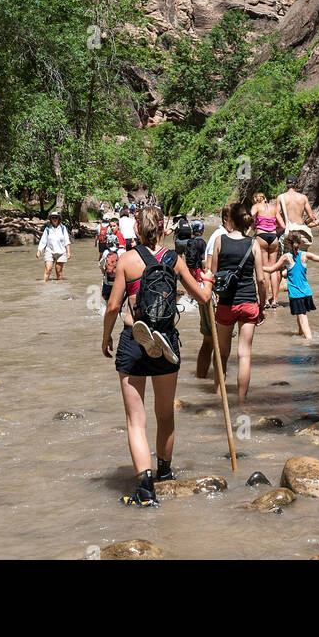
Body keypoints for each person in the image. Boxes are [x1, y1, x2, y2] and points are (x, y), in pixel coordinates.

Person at [102, 206, 214, 507]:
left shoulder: (127, 260)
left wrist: (105, 337)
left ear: (137, 229)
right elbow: (202, 297)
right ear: (163, 228)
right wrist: (210, 281)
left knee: (135, 421)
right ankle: (165, 472)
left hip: (133, 341)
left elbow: (113, 307)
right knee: (165, 414)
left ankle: (146, 488)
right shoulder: (174, 260)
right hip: (167, 340)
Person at [209, 201, 266, 404]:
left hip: (226, 304)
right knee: (244, 355)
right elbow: (260, 279)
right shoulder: (253, 244)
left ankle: (219, 396)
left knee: (222, 353)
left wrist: (211, 296)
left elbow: (213, 274)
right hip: (249, 303)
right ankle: (242, 400)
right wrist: (263, 304)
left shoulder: (220, 241)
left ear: (230, 220)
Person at [264, 234, 319, 340]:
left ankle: (309, 343)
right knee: (300, 316)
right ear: (300, 243)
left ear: (288, 244)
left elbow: (271, 269)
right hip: (307, 292)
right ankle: (300, 336)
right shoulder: (305, 255)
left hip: (296, 294)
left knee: (303, 319)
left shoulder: (286, 257)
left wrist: (256, 265)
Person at [196, 207, 232, 379]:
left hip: (209, 291)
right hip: (212, 293)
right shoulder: (219, 237)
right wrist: (215, 291)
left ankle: (201, 379)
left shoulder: (222, 236)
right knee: (216, 342)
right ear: (226, 219)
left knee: (209, 341)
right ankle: (216, 384)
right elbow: (209, 266)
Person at [251, 193, 281, 309]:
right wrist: (273, 229)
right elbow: (282, 225)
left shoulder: (256, 207)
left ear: (256, 200)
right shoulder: (273, 208)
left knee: (264, 268)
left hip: (261, 236)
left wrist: (254, 226)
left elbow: (249, 217)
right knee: (273, 268)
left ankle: (266, 300)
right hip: (274, 237)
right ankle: (275, 300)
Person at [275, 176, 318, 249]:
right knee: (301, 257)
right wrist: (307, 223)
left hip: (288, 231)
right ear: (296, 185)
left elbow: (276, 215)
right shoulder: (303, 197)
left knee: (287, 258)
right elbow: (311, 216)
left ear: (286, 185)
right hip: (301, 232)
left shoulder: (281, 197)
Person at [37, 211, 70, 282]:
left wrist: (68, 252)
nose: (54, 219)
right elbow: (43, 241)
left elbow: (67, 241)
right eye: (53, 218)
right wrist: (39, 251)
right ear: (51, 219)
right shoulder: (47, 229)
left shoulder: (63, 228)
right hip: (50, 252)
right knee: (48, 269)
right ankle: (44, 286)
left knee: (59, 271)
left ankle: (60, 287)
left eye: (56, 217)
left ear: (59, 219)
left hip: (61, 253)